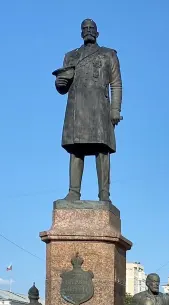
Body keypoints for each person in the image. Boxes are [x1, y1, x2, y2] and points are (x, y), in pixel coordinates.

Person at [54, 18, 123, 202]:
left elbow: (116, 84)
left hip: (100, 108)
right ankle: (73, 192)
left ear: (98, 32)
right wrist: (59, 83)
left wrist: (115, 110)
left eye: (92, 28)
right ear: (81, 33)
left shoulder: (108, 55)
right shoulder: (71, 56)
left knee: (102, 150)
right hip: (77, 107)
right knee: (76, 149)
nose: (89, 31)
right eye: (85, 28)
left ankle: (104, 195)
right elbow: (63, 85)